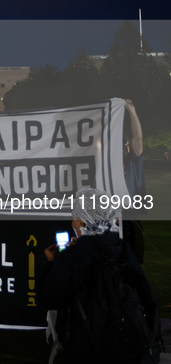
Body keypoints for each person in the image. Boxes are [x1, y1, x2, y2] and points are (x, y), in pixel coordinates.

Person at [38, 187, 159, 364]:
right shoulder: (122, 247)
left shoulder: (73, 255)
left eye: (74, 218)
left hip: (88, 348)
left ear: (81, 223)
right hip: (126, 342)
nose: (73, 223)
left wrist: (52, 263)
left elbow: (49, 299)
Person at [123, 99, 145, 263]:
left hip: (130, 216)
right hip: (112, 216)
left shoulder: (132, 161)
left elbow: (138, 137)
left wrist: (131, 111)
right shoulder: (107, 163)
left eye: (125, 144)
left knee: (133, 260)